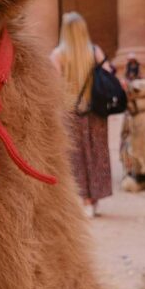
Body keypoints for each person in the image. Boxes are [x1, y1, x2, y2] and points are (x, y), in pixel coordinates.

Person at [50, 12, 114, 217]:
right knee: (97, 153)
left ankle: (84, 199)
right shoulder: (95, 51)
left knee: (76, 156)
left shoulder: (58, 55)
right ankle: (94, 198)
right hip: (95, 111)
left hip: (71, 113)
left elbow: (56, 86)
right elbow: (109, 73)